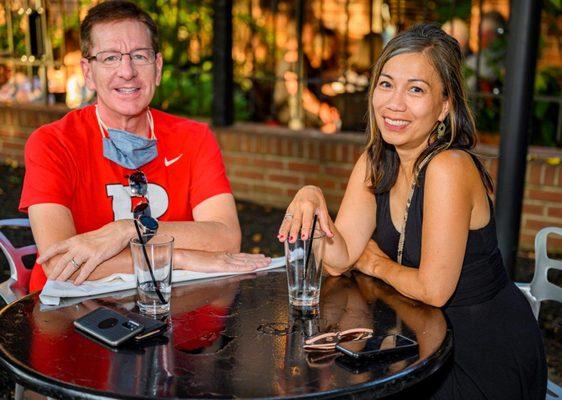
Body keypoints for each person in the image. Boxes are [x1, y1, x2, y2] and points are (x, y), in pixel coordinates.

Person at [279, 23, 546, 399]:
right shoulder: (376, 160)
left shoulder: (449, 167)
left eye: (416, 89)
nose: (394, 103)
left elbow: (434, 290)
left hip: (480, 349)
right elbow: (338, 260)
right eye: (386, 84)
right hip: (419, 337)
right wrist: (311, 198)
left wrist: (374, 264)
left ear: (445, 105)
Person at [19, 1, 269, 292]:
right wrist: (179, 257)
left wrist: (127, 230)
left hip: (178, 310)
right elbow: (60, 262)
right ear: (88, 72)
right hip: (72, 316)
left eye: (139, 56)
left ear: (157, 67)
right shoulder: (52, 142)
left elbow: (226, 237)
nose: (127, 71)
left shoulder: (194, 137)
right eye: (111, 58)